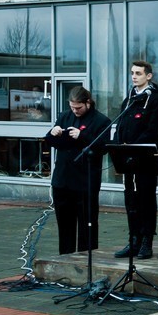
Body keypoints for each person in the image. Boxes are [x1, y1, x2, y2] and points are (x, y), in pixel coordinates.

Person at [45, 87, 111, 255]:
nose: (75, 111)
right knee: (64, 224)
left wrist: (82, 136)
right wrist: (53, 133)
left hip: (85, 180)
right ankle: (65, 256)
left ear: (88, 103)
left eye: (78, 108)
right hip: (63, 178)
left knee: (87, 224)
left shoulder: (101, 121)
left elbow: (103, 148)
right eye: (72, 107)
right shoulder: (64, 116)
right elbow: (50, 141)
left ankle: (87, 257)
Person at [113, 60, 158, 260]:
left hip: (144, 160)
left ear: (148, 76)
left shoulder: (153, 100)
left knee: (145, 200)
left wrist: (133, 146)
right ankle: (133, 240)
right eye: (132, 73)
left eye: (138, 73)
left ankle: (146, 241)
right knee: (131, 200)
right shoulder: (129, 99)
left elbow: (152, 131)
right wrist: (119, 146)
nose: (134, 76)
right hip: (128, 161)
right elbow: (121, 125)